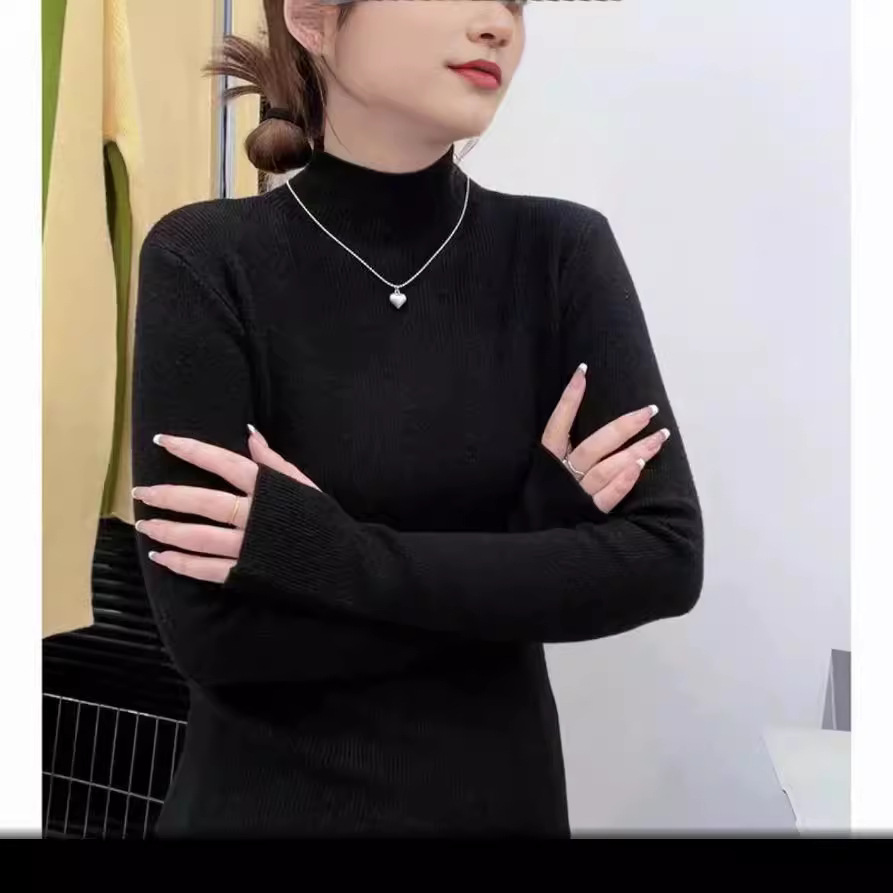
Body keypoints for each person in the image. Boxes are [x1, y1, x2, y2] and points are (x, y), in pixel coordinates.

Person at [130, 0, 703, 838]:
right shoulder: (203, 258)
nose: (498, 24)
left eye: (515, 2)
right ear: (315, 19)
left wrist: (329, 555)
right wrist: (527, 546)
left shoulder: (560, 252)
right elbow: (212, 637)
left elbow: (662, 559)